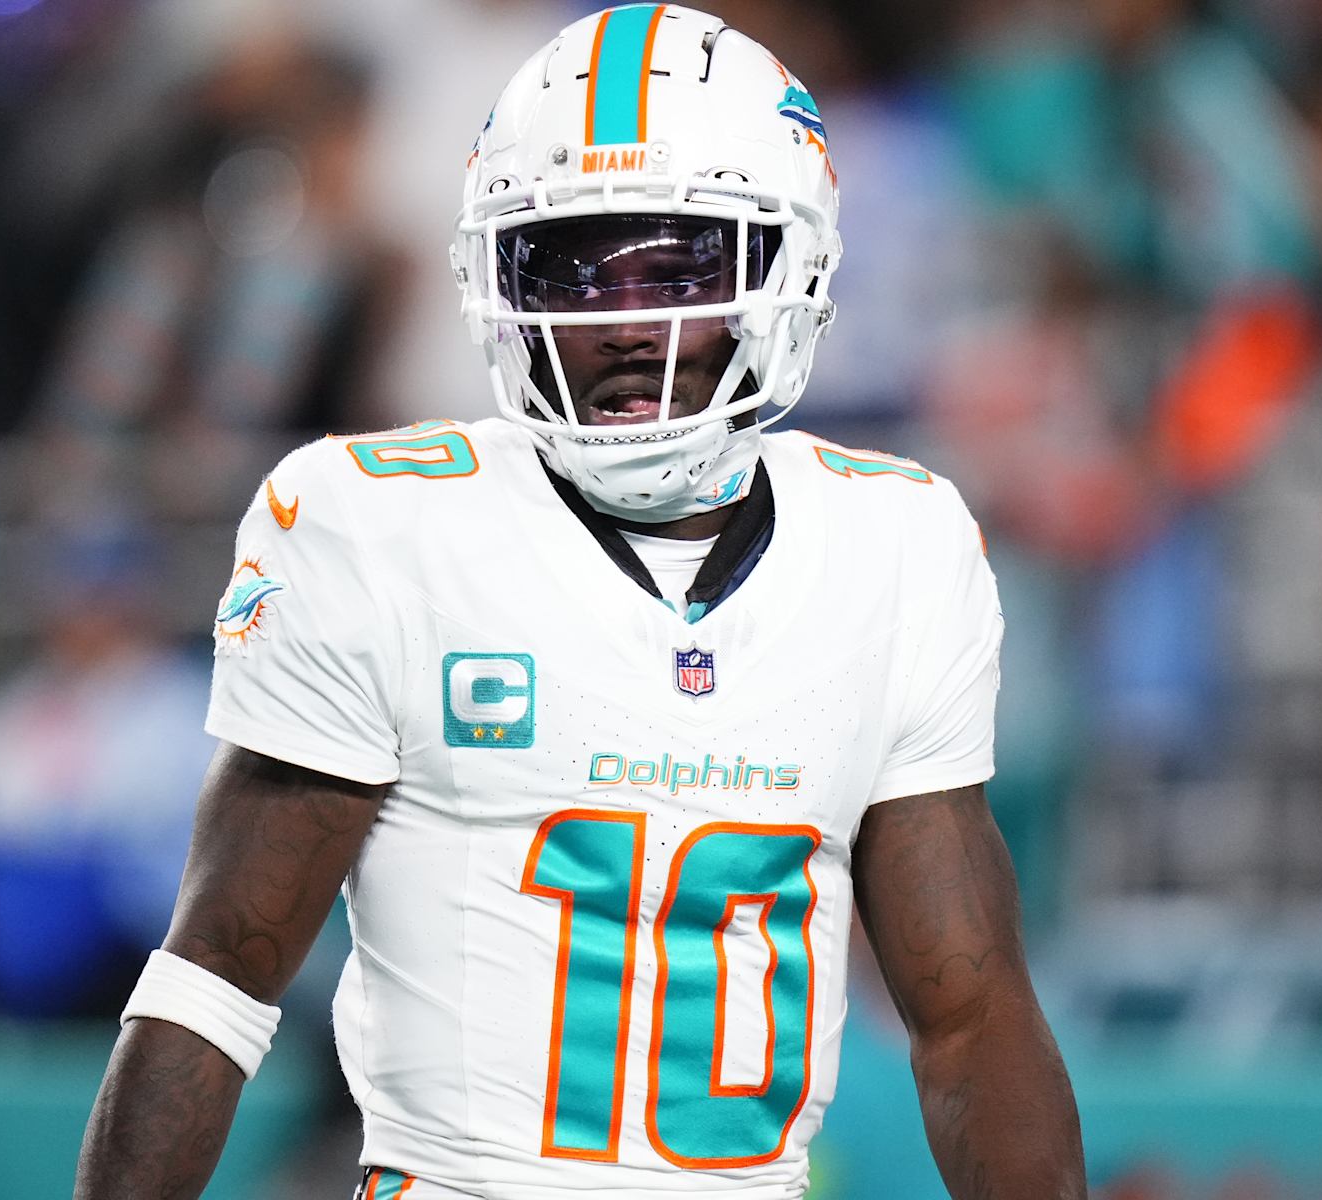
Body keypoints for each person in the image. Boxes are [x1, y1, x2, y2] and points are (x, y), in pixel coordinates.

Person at [75, 7, 1086, 1199]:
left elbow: (968, 1018)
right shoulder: (380, 528)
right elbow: (218, 977)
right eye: (571, 268)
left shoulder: (895, 547)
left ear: (788, 269)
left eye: (678, 267)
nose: (619, 322)